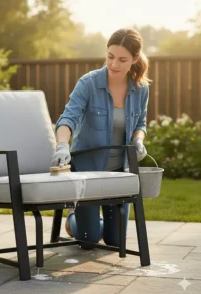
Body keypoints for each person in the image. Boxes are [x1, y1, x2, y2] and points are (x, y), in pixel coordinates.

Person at [51, 28, 150, 248]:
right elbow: (68, 118)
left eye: (122, 59)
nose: (114, 64)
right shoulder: (88, 83)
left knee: (115, 242)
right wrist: (61, 146)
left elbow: (140, 123)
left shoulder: (140, 89)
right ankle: (72, 217)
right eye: (110, 57)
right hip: (88, 171)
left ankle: (95, 219)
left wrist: (138, 140)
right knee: (90, 240)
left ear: (134, 59)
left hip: (119, 172)